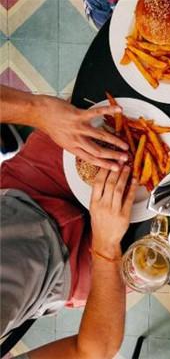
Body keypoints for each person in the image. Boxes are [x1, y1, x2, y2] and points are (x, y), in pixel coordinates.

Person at [0, 85, 130, 338]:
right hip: (71, 273)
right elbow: (92, 351)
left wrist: (36, 111)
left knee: (111, 98)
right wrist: (106, 247)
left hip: (21, 192)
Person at [11, 168, 137, 359]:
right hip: (65, 272)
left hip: (17, 191)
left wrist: (55, 134)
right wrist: (105, 246)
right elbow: (92, 352)